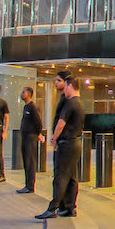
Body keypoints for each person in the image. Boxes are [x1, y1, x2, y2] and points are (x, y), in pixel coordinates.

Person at [36, 75, 84, 219]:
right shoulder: (80, 104)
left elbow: (61, 123)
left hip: (67, 144)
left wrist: (54, 138)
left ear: (69, 86)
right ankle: (70, 208)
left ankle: (53, 208)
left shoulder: (70, 103)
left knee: (61, 176)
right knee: (72, 177)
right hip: (76, 143)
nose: (64, 90)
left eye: (65, 86)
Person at [16, 87, 43, 194]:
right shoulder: (26, 107)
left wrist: (38, 133)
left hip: (31, 137)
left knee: (30, 161)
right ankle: (27, 184)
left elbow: (38, 122)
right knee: (26, 161)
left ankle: (30, 186)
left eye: (24, 92)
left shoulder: (32, 107)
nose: (22, 94)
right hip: (25, 137)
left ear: (29, 94)